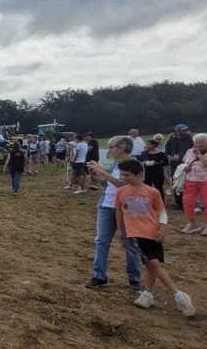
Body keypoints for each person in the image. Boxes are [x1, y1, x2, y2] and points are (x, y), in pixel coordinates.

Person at [113, 159, 196, 317]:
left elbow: (162, 211)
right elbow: (119, 211)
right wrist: (121, 230)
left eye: (127, 175)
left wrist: (162, 228)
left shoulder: (152, 192)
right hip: (136, 233)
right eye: (122, 174)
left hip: (152, 232)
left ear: (139, 174)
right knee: (152, 263)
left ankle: (173, 294)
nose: (124, 178)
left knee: (152, 264)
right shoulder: (121, 192)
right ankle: (158, 294)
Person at [84, 136, 142, 291]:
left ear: (122, 147)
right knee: (101, 241)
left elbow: (124, 185)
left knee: (129, 243)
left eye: (111, 147)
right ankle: (99, 276)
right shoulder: (116, 164)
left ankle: (134, 279)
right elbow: (110, 185)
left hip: (125, 208)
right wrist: (97, 177)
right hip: (106, 205)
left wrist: (101, 171)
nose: (109, 150)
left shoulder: (134, 164)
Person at [180, 134, 207, 236]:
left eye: (201, 142)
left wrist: (199, 155)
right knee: (187, 201)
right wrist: (186, 168)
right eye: (196, 142)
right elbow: (186, 163)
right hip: (191, 180)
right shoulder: (190, 151)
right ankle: (192, 223)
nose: (198, 144)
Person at [165, 124, 194, 189]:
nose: (186, 131)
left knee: (187, 183)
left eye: (186, 130)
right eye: (183, 130)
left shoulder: (190, 139)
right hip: (175, 164)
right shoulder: (172, 139)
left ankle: (187, 197)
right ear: (177, 131)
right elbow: (167, 151)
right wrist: (170, 157)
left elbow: (194, 150)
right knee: (176, 182)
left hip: (187, 164)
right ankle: (178, 197)